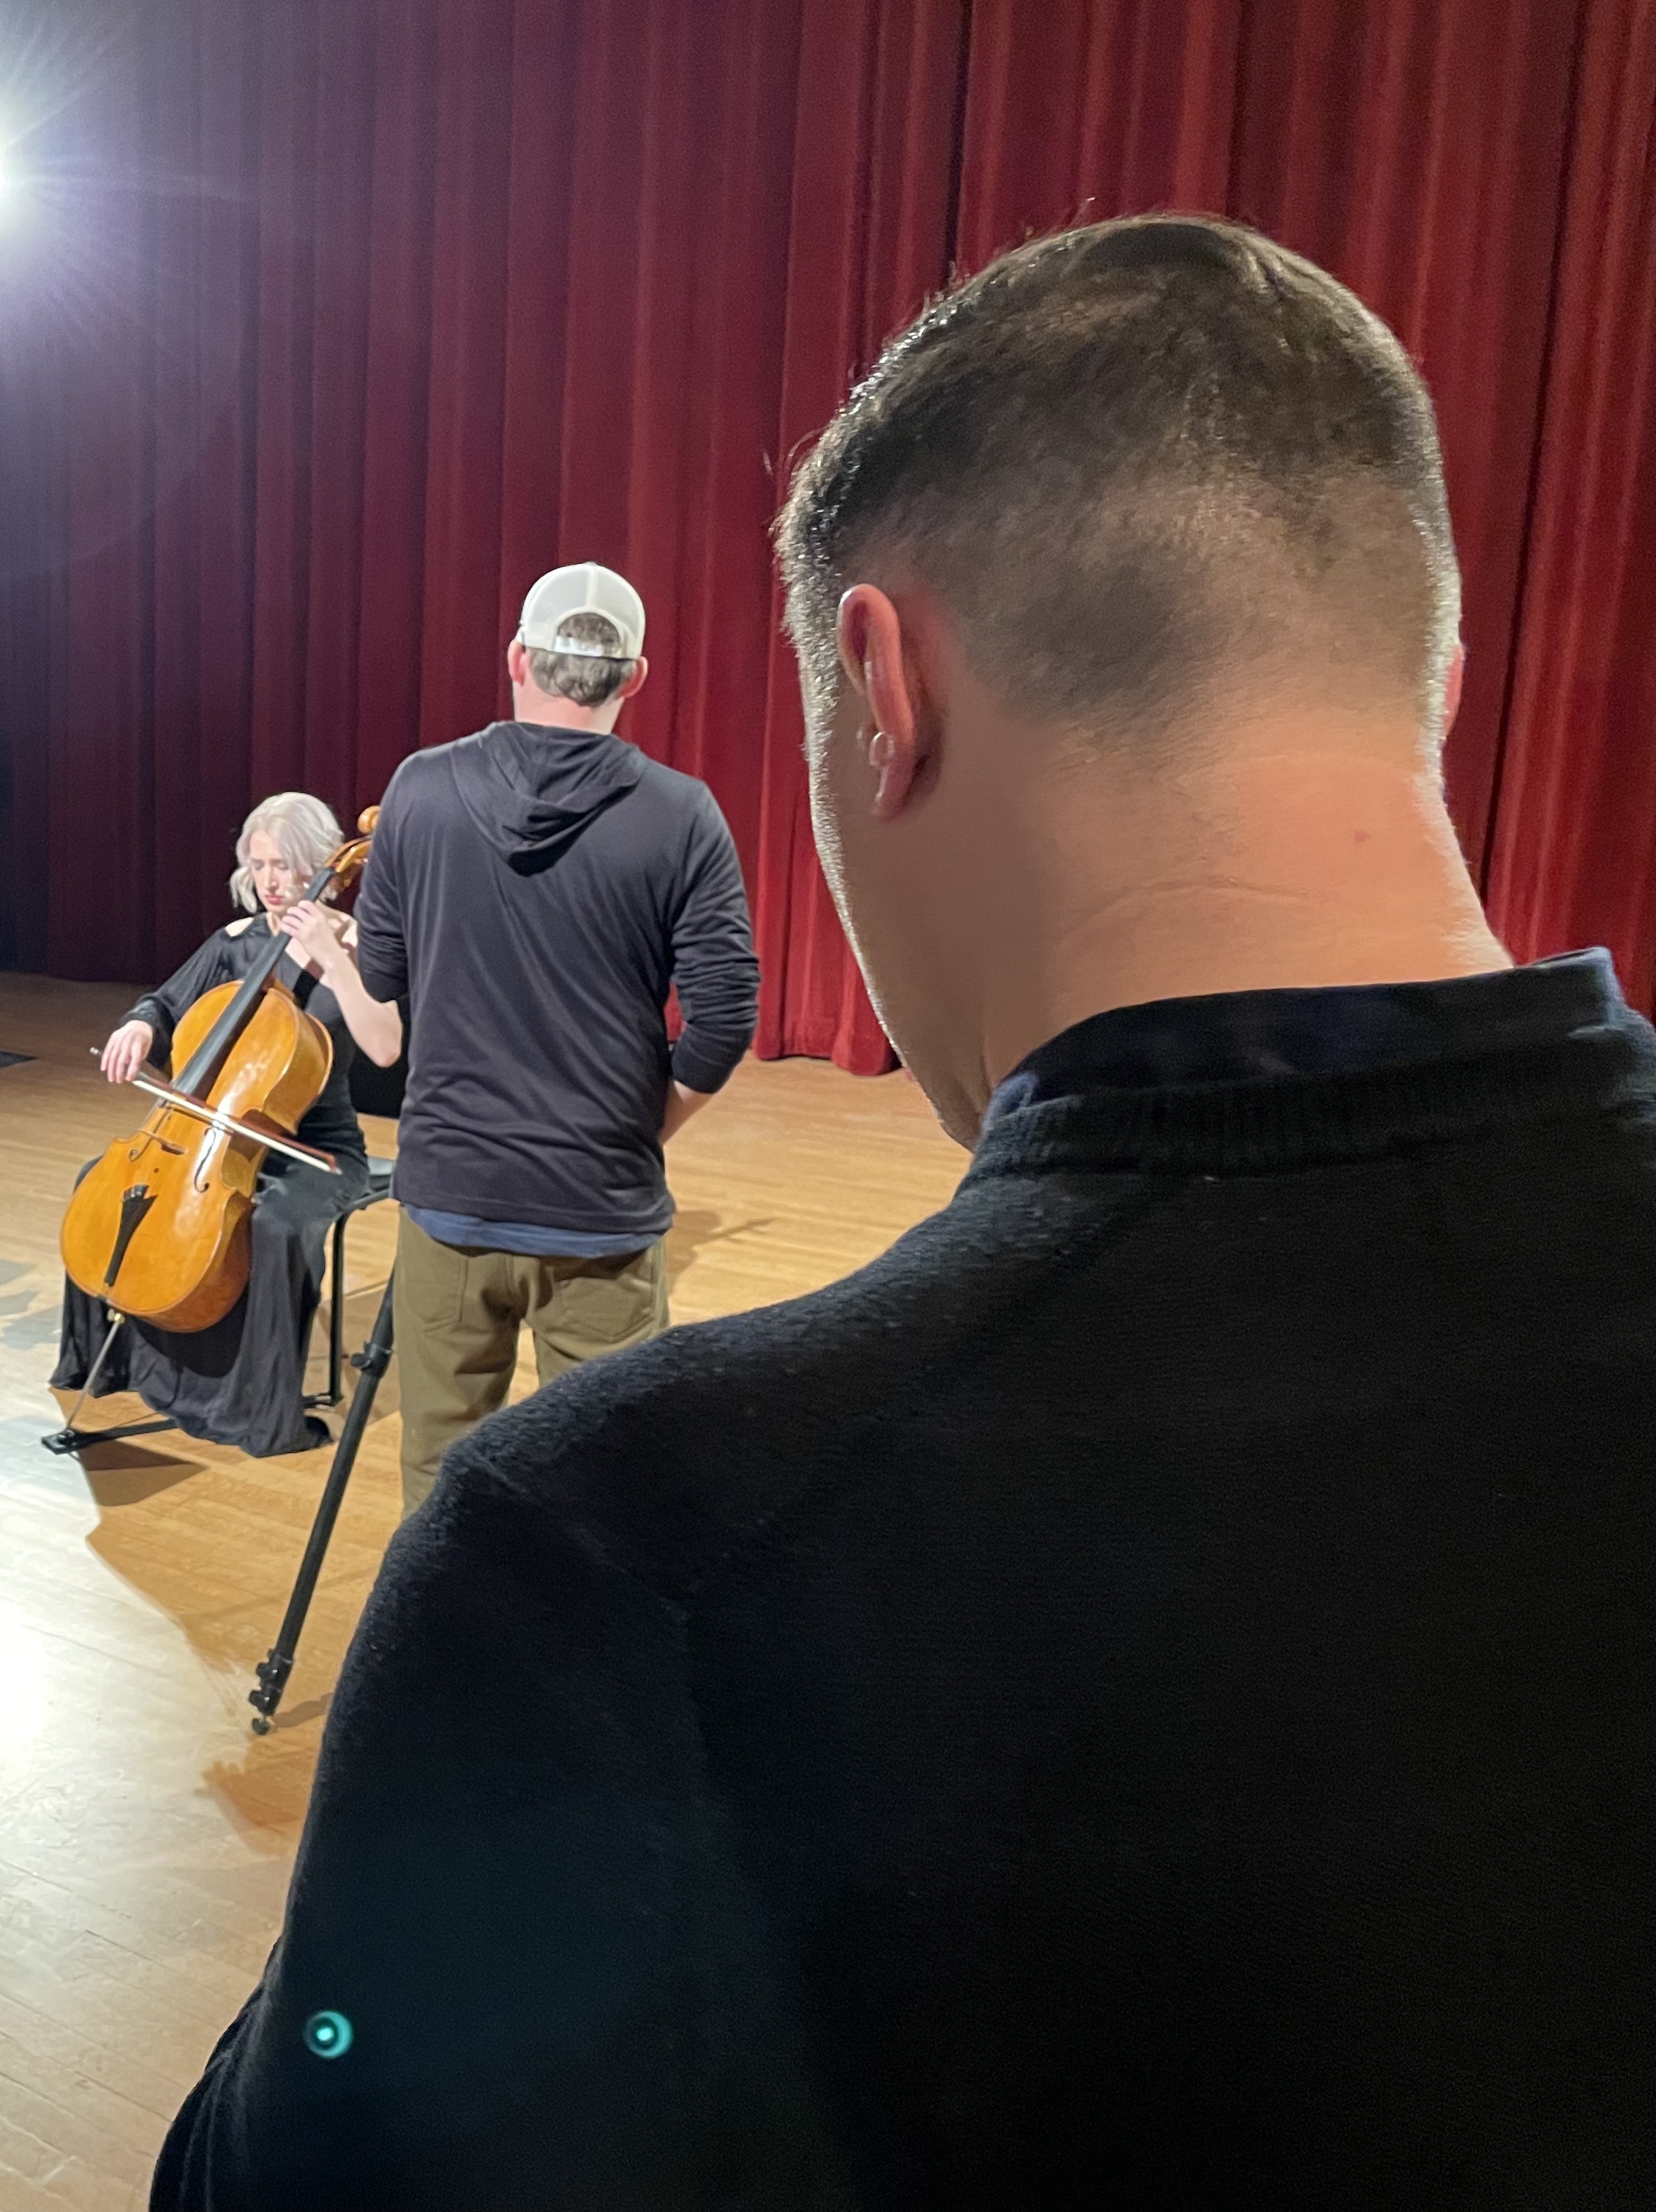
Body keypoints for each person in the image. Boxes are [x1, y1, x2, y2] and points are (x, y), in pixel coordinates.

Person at [156, 214, 1656, 2209]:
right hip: (597, 1204)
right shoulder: (676, 840)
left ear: (883, 681)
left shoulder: (607, 1553)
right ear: (1439, 683)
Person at [301, 561, 761, 1513]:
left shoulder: (420, 790)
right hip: (598, 1212)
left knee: (443, 1491)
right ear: (636, 677)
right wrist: (643, 1131)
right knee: (611, 1498)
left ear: (518, 659)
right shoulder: (682, 815)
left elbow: (380, 1009)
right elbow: (724, 1018)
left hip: (449, 1204)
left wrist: (337, 963)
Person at [53, 792, 401, 1456]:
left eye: (285, 866)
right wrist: (139, 1025)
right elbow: (163, 1003)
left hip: (314, 1147)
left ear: (320, 865)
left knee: (275, 1225)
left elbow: (387, 1049)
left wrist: (331, 958)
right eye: (259, 864)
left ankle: (256, 1406)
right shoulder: (235, 944)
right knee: (99, 1181)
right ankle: (115, 1361)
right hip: (212, 1136)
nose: (271, 882)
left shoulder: (358, 948)